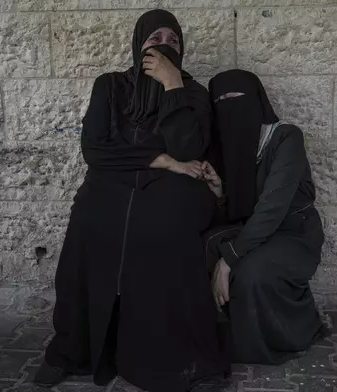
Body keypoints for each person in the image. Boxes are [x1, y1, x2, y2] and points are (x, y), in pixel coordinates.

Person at [35, 9, 228, 391]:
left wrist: (173, 87)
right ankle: (73, 349)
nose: (165, 45)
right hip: (115, 179)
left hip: (173, 187)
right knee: (90, 221)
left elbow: (190, 147)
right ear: (139, 45)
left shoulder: (193, 94)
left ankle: (172, 356)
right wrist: (163, 160)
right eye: (155, 38)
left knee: (163, 224)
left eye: (173, 40)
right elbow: (95, 149)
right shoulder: (110, 86)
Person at [202, 69, 330, 365]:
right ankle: (213, 333)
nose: (229, 107)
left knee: (251, 273)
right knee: (201, 247)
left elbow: (272, 208)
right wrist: (221, 193)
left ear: (257, 100)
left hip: (294, 235)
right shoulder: (232, 144)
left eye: (236, 98)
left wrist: (228, 260)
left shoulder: (285, 138)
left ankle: (282, 335)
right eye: (220, 101)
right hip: (255, 232)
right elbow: (242, 207)